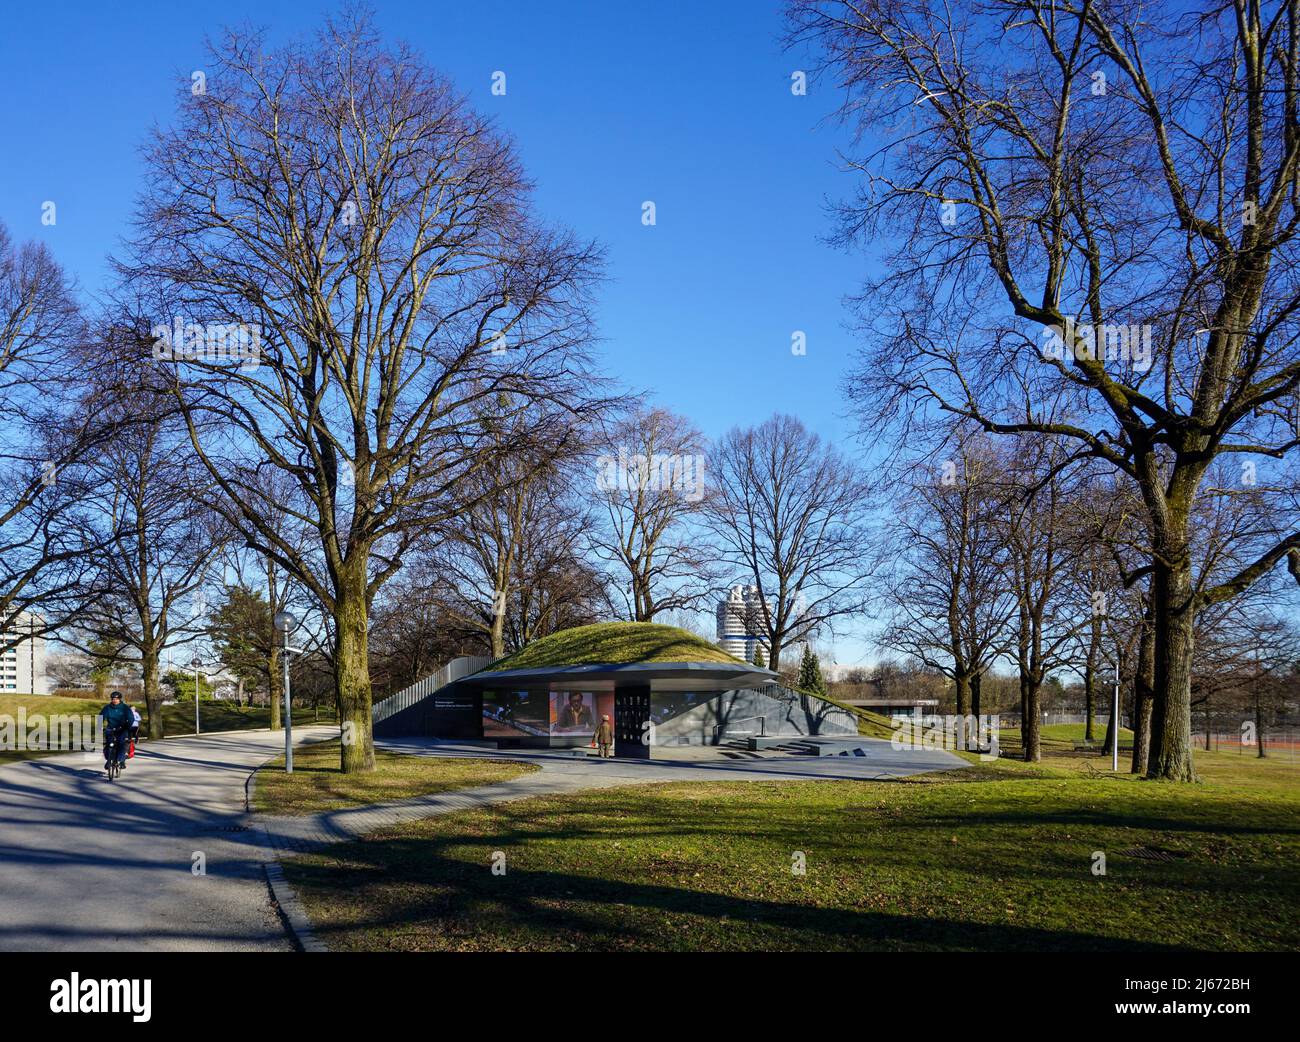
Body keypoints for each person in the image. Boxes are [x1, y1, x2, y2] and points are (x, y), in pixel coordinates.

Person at [99, 690, 133, 772]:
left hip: (122, 729)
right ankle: (108, 760)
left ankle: (121, 761)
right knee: (108, 745)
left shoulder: (125, 708)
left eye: (116, 699)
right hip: (110, 728)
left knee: (122, 744)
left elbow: (131, 718)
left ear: (120, 699)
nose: (115, 700)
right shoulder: (107, 708)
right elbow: (100, 717)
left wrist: (127, 727)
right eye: (113, 699)